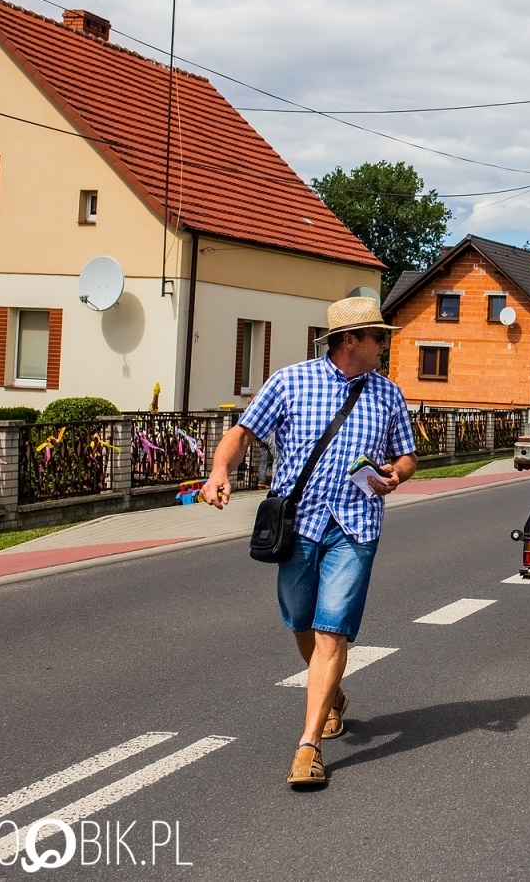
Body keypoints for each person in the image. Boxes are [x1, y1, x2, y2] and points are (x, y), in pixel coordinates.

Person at [201, 296, 418, 788]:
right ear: (350, 341)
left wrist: (395, 474)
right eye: (378, 336)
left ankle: (308, 746)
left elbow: (407, 456)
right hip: (298, 524)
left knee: (331, 629)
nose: (385, 344)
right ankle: (333, 694)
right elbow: (242, 434)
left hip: (357, 525)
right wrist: (218, 471)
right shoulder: (290, 382)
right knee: (300, 619)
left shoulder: (388, 394)